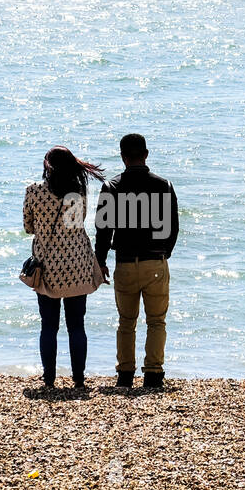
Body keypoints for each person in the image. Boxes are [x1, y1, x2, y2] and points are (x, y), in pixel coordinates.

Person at [95, 133, 179, 389]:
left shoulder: (112, 187)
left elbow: (103, 230)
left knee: (126, 322)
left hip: (126, 262)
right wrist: (165, 253)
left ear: (122, 157)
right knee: (156, 321)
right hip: (155, 260)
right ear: (146, 154)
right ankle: (153, 374)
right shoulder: (163, 185)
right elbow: (173, 227)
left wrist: (100, 261)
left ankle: (125, 374)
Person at [23, 146, 106, 389]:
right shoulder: (77, 192)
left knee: (48, 325)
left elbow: (28, 227)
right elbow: (75, 224)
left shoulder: (33, 191)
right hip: (78, 263)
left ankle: (49, 379)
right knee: (76, 324)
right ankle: (78, 380)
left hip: (47, 266)